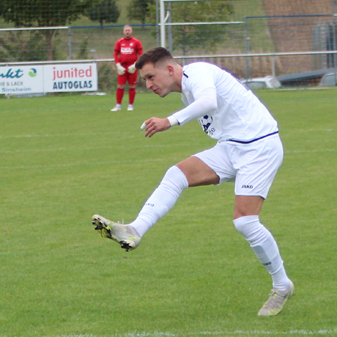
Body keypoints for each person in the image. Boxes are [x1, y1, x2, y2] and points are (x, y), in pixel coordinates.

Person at [92, 47, 294, 316]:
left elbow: (209, 102)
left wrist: (169, 121)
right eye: (145, 81)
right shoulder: (187, 86)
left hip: (259, 146)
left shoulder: (197, 72)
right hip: (232, 146)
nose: (149, 85)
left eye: (151, 77)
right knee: (176, 174)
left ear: (171, 69)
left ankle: (282, 286)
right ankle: (135, 230)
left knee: (245, 221)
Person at [111, 25, 143, 111]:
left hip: (132, 67)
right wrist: (118, 65)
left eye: (129, 30)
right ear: (123, 32)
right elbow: (115, 54)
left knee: (132, 86)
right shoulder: (119, 42)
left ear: (131, 31)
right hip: (122, 67)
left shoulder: (136, 42)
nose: (127, 32)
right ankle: (118, 105)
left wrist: (135, 65)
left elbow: (140, 54)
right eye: (126, 30)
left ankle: (130, 105)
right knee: (120, 86)